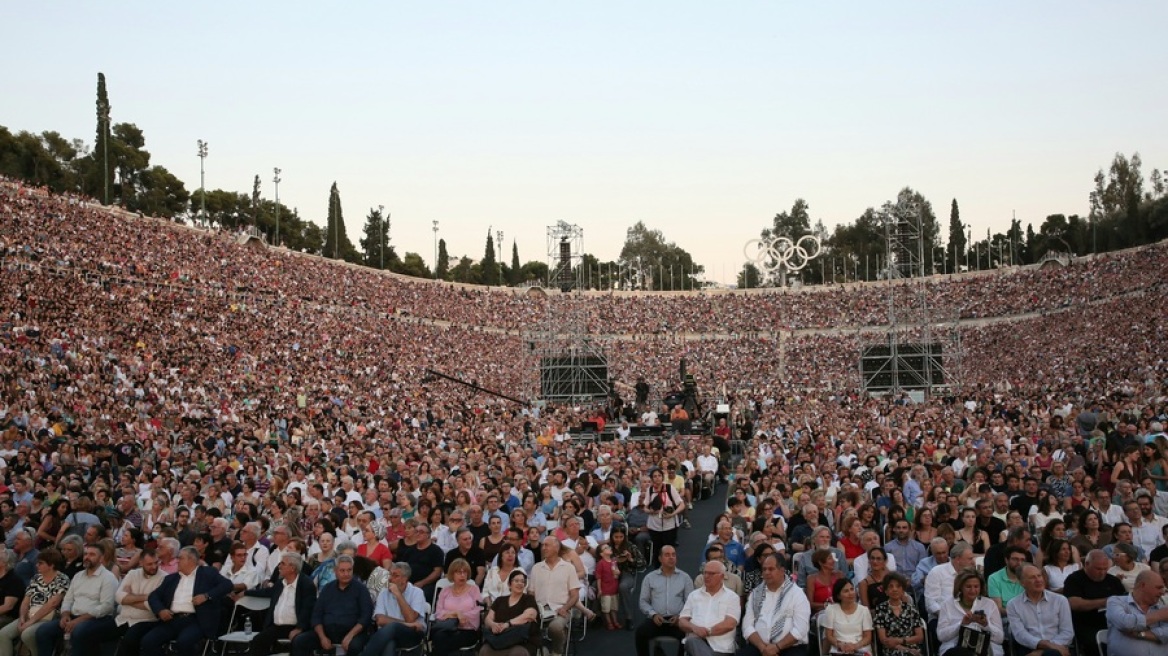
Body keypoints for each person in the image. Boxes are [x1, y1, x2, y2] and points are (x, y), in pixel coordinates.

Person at [142, 546, 234, 656]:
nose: (177, 561)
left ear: (191, 560)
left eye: (180, 558)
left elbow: (227, 585)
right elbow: (153, 596)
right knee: (148, 641)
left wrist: (206, 596)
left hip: (196, 619)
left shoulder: (207, 573)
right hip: (172, 619)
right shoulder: (171, 579)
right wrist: (160, 610)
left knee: (184, 642)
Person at [35, 543, 119, 656]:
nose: (87, 557)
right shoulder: (78, 576)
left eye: (92, 554)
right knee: (43, 631)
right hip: (73, 617)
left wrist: (78, 621)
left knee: (79, 631)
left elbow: (106, 607)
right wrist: (65, 615)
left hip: (98, 620)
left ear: (101, 558)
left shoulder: (108, 578)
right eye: (85, 554)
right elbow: (68, 599)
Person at [291, 554, 372, 656]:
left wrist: (350, 635)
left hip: (353, 633)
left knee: (354, 646)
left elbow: (365, 617)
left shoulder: (361, 589)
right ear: (335, 571)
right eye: (342, 570)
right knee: (300, 641)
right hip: (327, 632)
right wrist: (322, 637)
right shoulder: (327, 589)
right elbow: (316, 616)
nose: (346, 573)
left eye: (349, 570)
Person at [244, 551, 316, 656]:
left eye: (282, 563)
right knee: (258, 641)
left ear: (292, 568)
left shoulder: (306, 584)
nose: (279, 566)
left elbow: (308, 608)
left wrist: (299, 628)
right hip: (277, 627)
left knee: (298, 643)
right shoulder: (280, 583)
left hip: (297, 627)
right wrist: (246, 592)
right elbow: (266, 592)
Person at [0, 549, 68, 656]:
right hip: (29, 614)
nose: (37, 565)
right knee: (4, 634)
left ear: (51, 565)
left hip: (48, 617)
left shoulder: (62, 579)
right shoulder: (36, 578)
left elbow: (52, 604)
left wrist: (31, 621)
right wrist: (22, 618)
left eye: (40, 563)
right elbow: (25, 601)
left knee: (27, 634)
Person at [739, 553, 810, 656]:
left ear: (782, 571)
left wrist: (777, 647)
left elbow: (800, 629)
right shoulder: (755, 594)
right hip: (760, 647)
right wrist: (763, 648)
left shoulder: (797, 594)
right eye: (764, 569)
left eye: (771, 569)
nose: (767, 572)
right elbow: (747, 626)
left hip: (789, 648)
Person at [1062, 550, 1125, 656]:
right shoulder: (1074, 580)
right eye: (1098, 569)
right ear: (1087, 564)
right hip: (1086, 624)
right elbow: (1073, 603)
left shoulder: (1113, 581)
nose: (1102, 572)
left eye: (1105, 569)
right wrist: (1105, 602)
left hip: (1114, 623)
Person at [635, 545, 693, 656]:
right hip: (657, 619)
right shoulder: (649, 578)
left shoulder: (685, 578)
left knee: (687, 635)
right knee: (640, 633)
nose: (671, 557)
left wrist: (680, 616)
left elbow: (690, 603)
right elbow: (643, 602)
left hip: (677, 621)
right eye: (667, 555)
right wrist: (653, 614)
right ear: (660, 558)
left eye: (673, 555)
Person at [1005, 564, 1074, 656]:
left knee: (1051, 654)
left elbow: (1067, 632)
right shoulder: (1013, 605)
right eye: (1032, 577)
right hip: (1028, 648)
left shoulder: (1060, 600)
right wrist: (1044, 644)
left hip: (1059, 647)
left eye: (1039, 576)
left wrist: (1042, 651)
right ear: (1022, 582)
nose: (1038, 580)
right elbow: (1020, 634)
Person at [678, 560, 740, 656]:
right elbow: (682, 621)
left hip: (721, 647)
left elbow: (730, 624)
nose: (706, 576)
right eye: (705, 572)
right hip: (695, 641)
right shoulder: (694, 595)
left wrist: (708, 632)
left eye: (711, 573)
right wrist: (695, 628)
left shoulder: (732, 597)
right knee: (691, 641)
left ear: (722, 576)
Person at [530, 537, 580, 656]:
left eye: (547, 545)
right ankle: (541, 651)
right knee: (524, 627)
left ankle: (557, 652)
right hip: (539, 610)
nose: (543, 548)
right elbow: (531, 593)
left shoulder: (569, 568)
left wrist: (565, 608)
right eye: (543, 545)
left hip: (561, 609)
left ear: (556, 548)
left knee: (555, 627)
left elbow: (575, 595)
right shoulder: (536, 568)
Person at [937, 568, 1004, 656]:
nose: (973, 590)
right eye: (968, 587)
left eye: (976, 587)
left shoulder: (989, 604)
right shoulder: (947, 604)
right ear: (960, 587)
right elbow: (941, 636)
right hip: (955, 650)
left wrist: (986, 625)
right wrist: (961, 624)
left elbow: (1000, 638)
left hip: (985, 649)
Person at [1106, 570, 1168, 656]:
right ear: (1143, 585)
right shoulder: (1116, 601)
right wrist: (1158, 615)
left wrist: (1140, 634)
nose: (1162, 592)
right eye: (1158, 588)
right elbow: (1124, 623)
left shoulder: (1162, 606)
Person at [481, 570, 541, 656]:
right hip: (499, 638)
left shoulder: (528, 599)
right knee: (485, 650)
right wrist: (493, 625)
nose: (520, 583)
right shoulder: (499, 600)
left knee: (517, 653)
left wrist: (508, 624)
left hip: (521, 641)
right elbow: (488, 618)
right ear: (509, 584)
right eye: (516, 581)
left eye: (522, 581)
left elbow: (529, 615)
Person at [430, 559, 482, 656]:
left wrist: (454, 615)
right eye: (458, 572)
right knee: (438, 637)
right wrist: (457, 614)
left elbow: (477, 611)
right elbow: (438, 613)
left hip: (468, 630)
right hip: (447, 628)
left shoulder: (474, 589)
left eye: (464, 572)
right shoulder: (445, 591)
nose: (462, 575)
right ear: (452, 574)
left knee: (441, 643)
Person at [872, 573, 925, 656]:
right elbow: (883, 639)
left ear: (903, 590)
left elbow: (920, 636)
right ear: (886, 591)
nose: (895, 589)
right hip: (892, 650)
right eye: (891, 586)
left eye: (898, 586)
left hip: (913, 649)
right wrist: (904, 649)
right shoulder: (881, 609)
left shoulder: (911, 609)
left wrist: (901, 641)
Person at [820, 578, 873, 655]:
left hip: (860, 649)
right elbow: (829, 635)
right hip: (839, 650)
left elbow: (868, 638)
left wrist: (855, 646)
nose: (851, 593)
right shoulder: (831, 609)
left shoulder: (864, 610)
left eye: (852, 589)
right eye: (846, 591)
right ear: (838, 596)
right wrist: (840, 645)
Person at [925, 542, 975, 619]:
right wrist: (948, 616)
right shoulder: (937, 572)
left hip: (968, 618)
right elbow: (930, 603)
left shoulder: (971, 575)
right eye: (970, 559)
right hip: (941, 618)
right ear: (958, 559)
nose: (973, 562)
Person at [986, 547, 1028, 613]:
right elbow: (998, 609)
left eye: (1022, 560)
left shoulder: (1028, 577)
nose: (1019, 563)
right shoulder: (994, 578)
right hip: (1005, 618)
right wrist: (1018, 614)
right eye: (1015, 559)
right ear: (1006, 560)